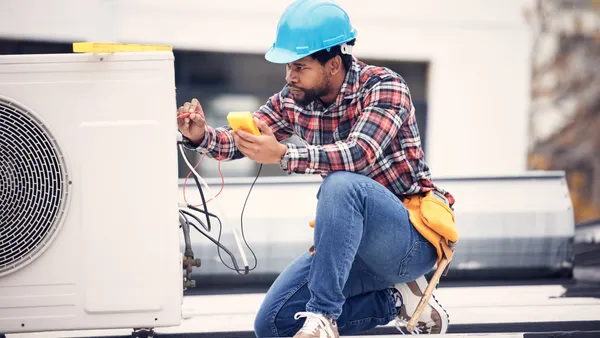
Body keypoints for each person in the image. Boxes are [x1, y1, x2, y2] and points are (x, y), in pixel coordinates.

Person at [177, 0, 454, 337]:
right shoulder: (293, 98)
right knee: (273, 324)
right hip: (350, 248)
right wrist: (202, 136)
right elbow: (247, 138)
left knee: (341, 184)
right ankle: (399, 301)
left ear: (333, 64)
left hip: (408, 241)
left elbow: (358, 155)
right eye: (288, 68)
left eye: (299, 67)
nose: (289, 77)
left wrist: (283, 155)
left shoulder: (385, 87)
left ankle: (322, 318)